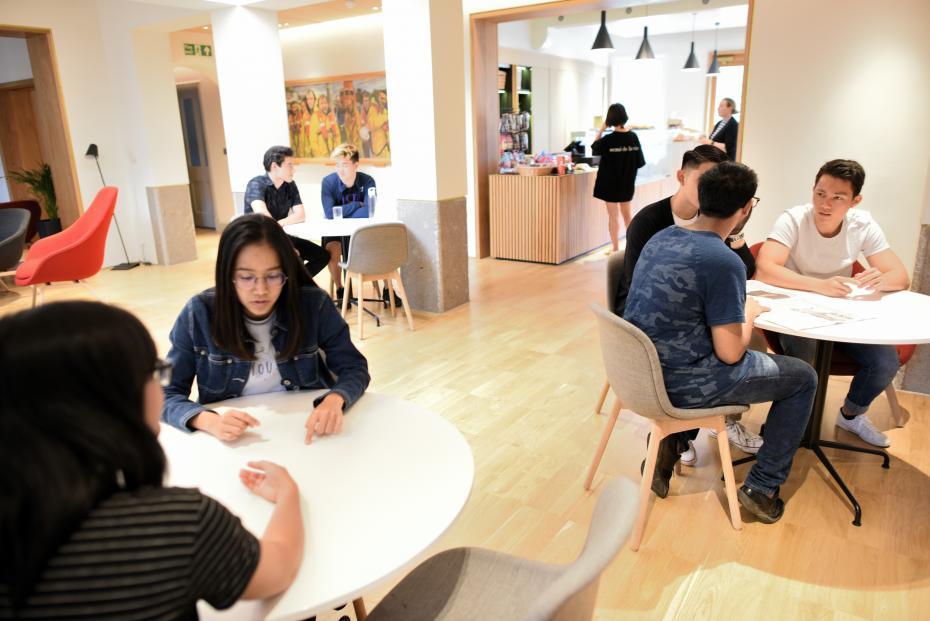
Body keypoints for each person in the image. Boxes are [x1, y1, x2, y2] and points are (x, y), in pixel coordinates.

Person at [0, 301, 303, 617]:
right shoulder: (178, 525)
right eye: (154, 373)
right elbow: (277, 569)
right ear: (109, 402)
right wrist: (287, 495)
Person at [624, 162, 816, 523]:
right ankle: (762, 486)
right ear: (746, 208)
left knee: (706, 344)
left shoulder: (662, 237)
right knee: (803, 378)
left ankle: (669, 449)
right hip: (683, 385)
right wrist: (750, 314)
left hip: (641, 375)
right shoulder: (723, 261)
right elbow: (730, 354)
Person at [162, 214, 370, 444]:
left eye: (273, 276)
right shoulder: (198, 313)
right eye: (246, 277)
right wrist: (208, 420)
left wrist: (335, 399)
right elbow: (163, 393)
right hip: (233, 442)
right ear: (227, 273)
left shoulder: (313, 304)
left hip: (307, 431)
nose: (260, 290)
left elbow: (354, 367)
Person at [614, 144, 762, 461]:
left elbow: (748, 268)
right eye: (707, 180)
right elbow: (637, 287)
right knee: (734, 346)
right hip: (645, 331)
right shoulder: (651, 223)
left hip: (685, 324)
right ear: (682, 177)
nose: (714, 189)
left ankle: (691, 430)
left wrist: (734, 231)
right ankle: (687, 429)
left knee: (729, 336)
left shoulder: (713, 222)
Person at [756, 159, 909, 448]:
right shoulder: (794, 219)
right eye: (820, 193)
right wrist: (819, 285)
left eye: (837, 198)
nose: (825, 204)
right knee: (805, 358)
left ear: (854, 201)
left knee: (885, 361)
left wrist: (878, 279)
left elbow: (900, 276)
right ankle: (788, 428)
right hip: (793, 309)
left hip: (839, 310)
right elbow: (765, 267)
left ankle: (851, 415)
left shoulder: (862, 224)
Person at [320, 143, 400, 306]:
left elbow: (369, 212)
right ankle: (342, 290)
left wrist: (342, 212)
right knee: (331, 250)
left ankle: (388, 290)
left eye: (345, 165)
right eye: (337, 165)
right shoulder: (328, 182)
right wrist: (357, 205)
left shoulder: (368, 181)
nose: (340, 170)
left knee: (380, 244)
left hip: (362, 231)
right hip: (336, 232)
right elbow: (329, 214)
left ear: (356, 165)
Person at [244, 145, 331, 278]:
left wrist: (279, 224)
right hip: (258, 239)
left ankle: (294, 285)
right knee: (293, 258)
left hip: (281, 235)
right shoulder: (256, 184)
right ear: (274, 166)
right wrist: (285, 243)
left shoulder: (290, 185)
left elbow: (301, 215)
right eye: (289, 165)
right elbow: (264, 217)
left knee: (322, 256)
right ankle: (290, 286)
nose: (293, 169)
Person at [591, 103, 645, 253]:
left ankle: (615, 248)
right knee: (627, 215)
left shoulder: (608, 140)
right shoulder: (633, 137)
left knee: (613, 216)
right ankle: (632, 249)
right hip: (627, 183)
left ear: (610, 119)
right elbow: (640, 162)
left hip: (609, 184)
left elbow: (595, 148)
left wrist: (602, 128)